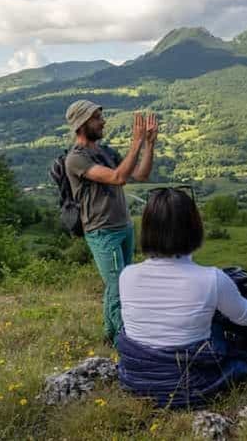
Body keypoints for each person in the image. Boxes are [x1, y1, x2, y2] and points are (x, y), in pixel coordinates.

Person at [117, 188, 247, 408]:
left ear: (148, 229)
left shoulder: (127, 275)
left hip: (135, 381)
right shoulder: (212, 279)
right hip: (188, 388)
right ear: (193, 228)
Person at [64, 100, 157, 344]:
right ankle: (123, 343)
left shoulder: (105, 152)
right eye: (96, 117)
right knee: (120, 287)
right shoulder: (76, 158)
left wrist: (149, 144)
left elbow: (140, 174)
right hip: (103, 232)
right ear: (82, 124)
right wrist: (136, 141)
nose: (103, 121)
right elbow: (116, 177)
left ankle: (109, 335)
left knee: (117, 285)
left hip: (123, 226)